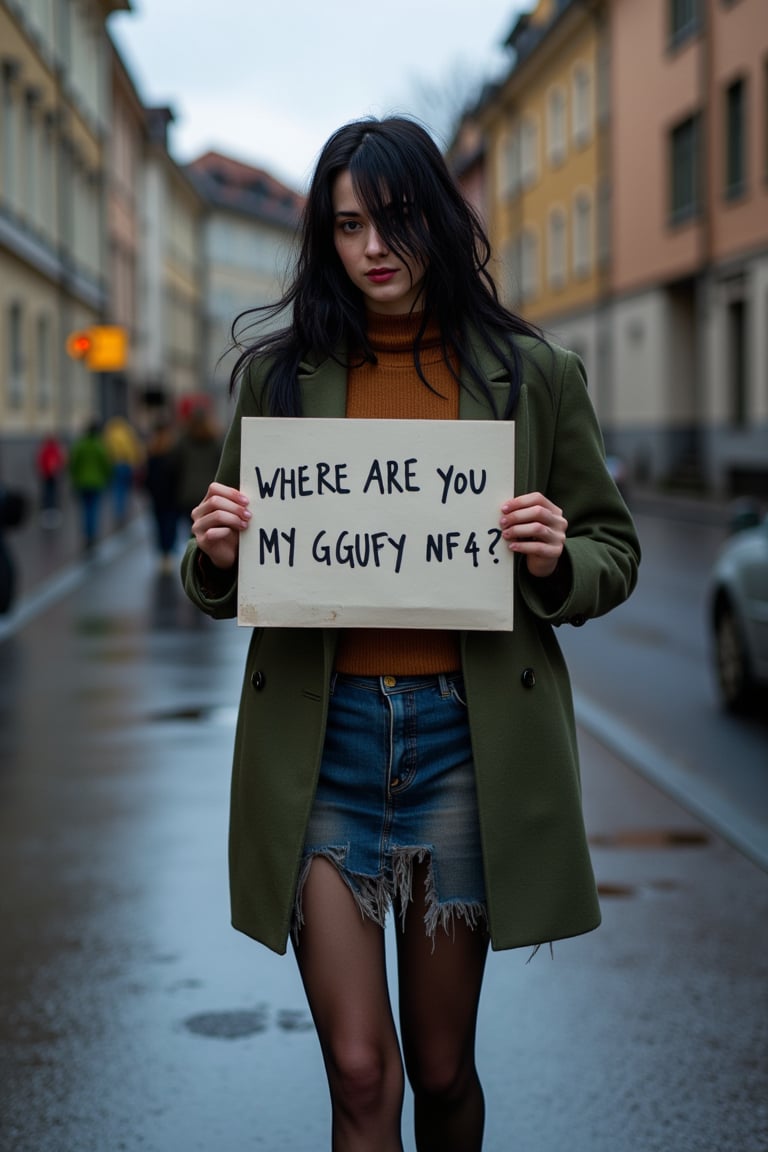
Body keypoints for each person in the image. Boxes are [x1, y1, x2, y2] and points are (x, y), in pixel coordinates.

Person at [181, 116, 641, 1151]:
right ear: (323, 237)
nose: (371, 248)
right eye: (346, 226)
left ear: (437, 217)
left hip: (462, 750)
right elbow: (218, 566)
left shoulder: (532, 374)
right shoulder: (279, 379)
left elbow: (615, 551)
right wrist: (215, 553)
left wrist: (557, 557)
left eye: (393, 220)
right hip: (322, 747)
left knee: (439, 1069)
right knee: (357, 1072)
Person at [173, 405, 223, 537]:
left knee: (192, 531)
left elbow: (175, 467)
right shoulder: (215, 441)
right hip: (209, 493)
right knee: (208, 532)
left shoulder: (183, 441)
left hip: (187, 494)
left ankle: (193, 553)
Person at [68, 420, 112, 552]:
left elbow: (73, 463)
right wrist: (107, 477)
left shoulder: (80, 445)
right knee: (94, 509)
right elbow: (106, 464)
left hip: (82, 482)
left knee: (85, 509)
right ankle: (92, 534)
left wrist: (74, 478)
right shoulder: (99, 446)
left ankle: (87, 534)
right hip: (96, 482)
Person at [143, 419, 179, 573]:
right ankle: (169, 553)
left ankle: (163, 553)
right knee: (170, 524)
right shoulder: (172, 449)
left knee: (159, 524)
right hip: (171, 494)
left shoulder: (151, 449)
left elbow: (147, 475)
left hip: (157, 495)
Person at [103, 416, 144, 526]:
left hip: (115, 465)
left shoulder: (110, 435)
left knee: (118, 490)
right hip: (127, 464)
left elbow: (106, 451)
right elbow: (134, 448)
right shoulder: (127, 432)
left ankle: (119, 512)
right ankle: (126, 511)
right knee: (126, 490)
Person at [35, 434, 66, 527]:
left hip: (46, 475)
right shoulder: (56, 449)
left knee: (47, 493)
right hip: (53, 475)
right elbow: (61, 461)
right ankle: (52, 511)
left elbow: (40, 461)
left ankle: (46, 512)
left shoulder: (44, 449)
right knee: (53, 493)